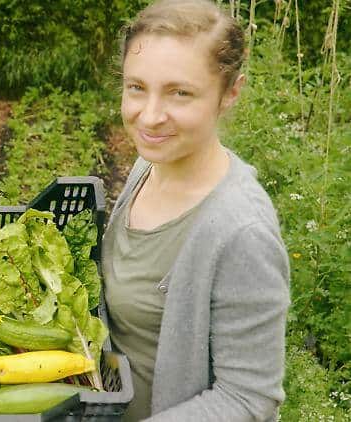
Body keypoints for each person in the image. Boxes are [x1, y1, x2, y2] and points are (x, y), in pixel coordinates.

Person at [101, 0, 290, 421]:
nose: (149, 116)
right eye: (136, 87)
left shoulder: (241, 232)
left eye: (180, 92)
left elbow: (248, 399)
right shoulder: (150, 164)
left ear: (230, 93)